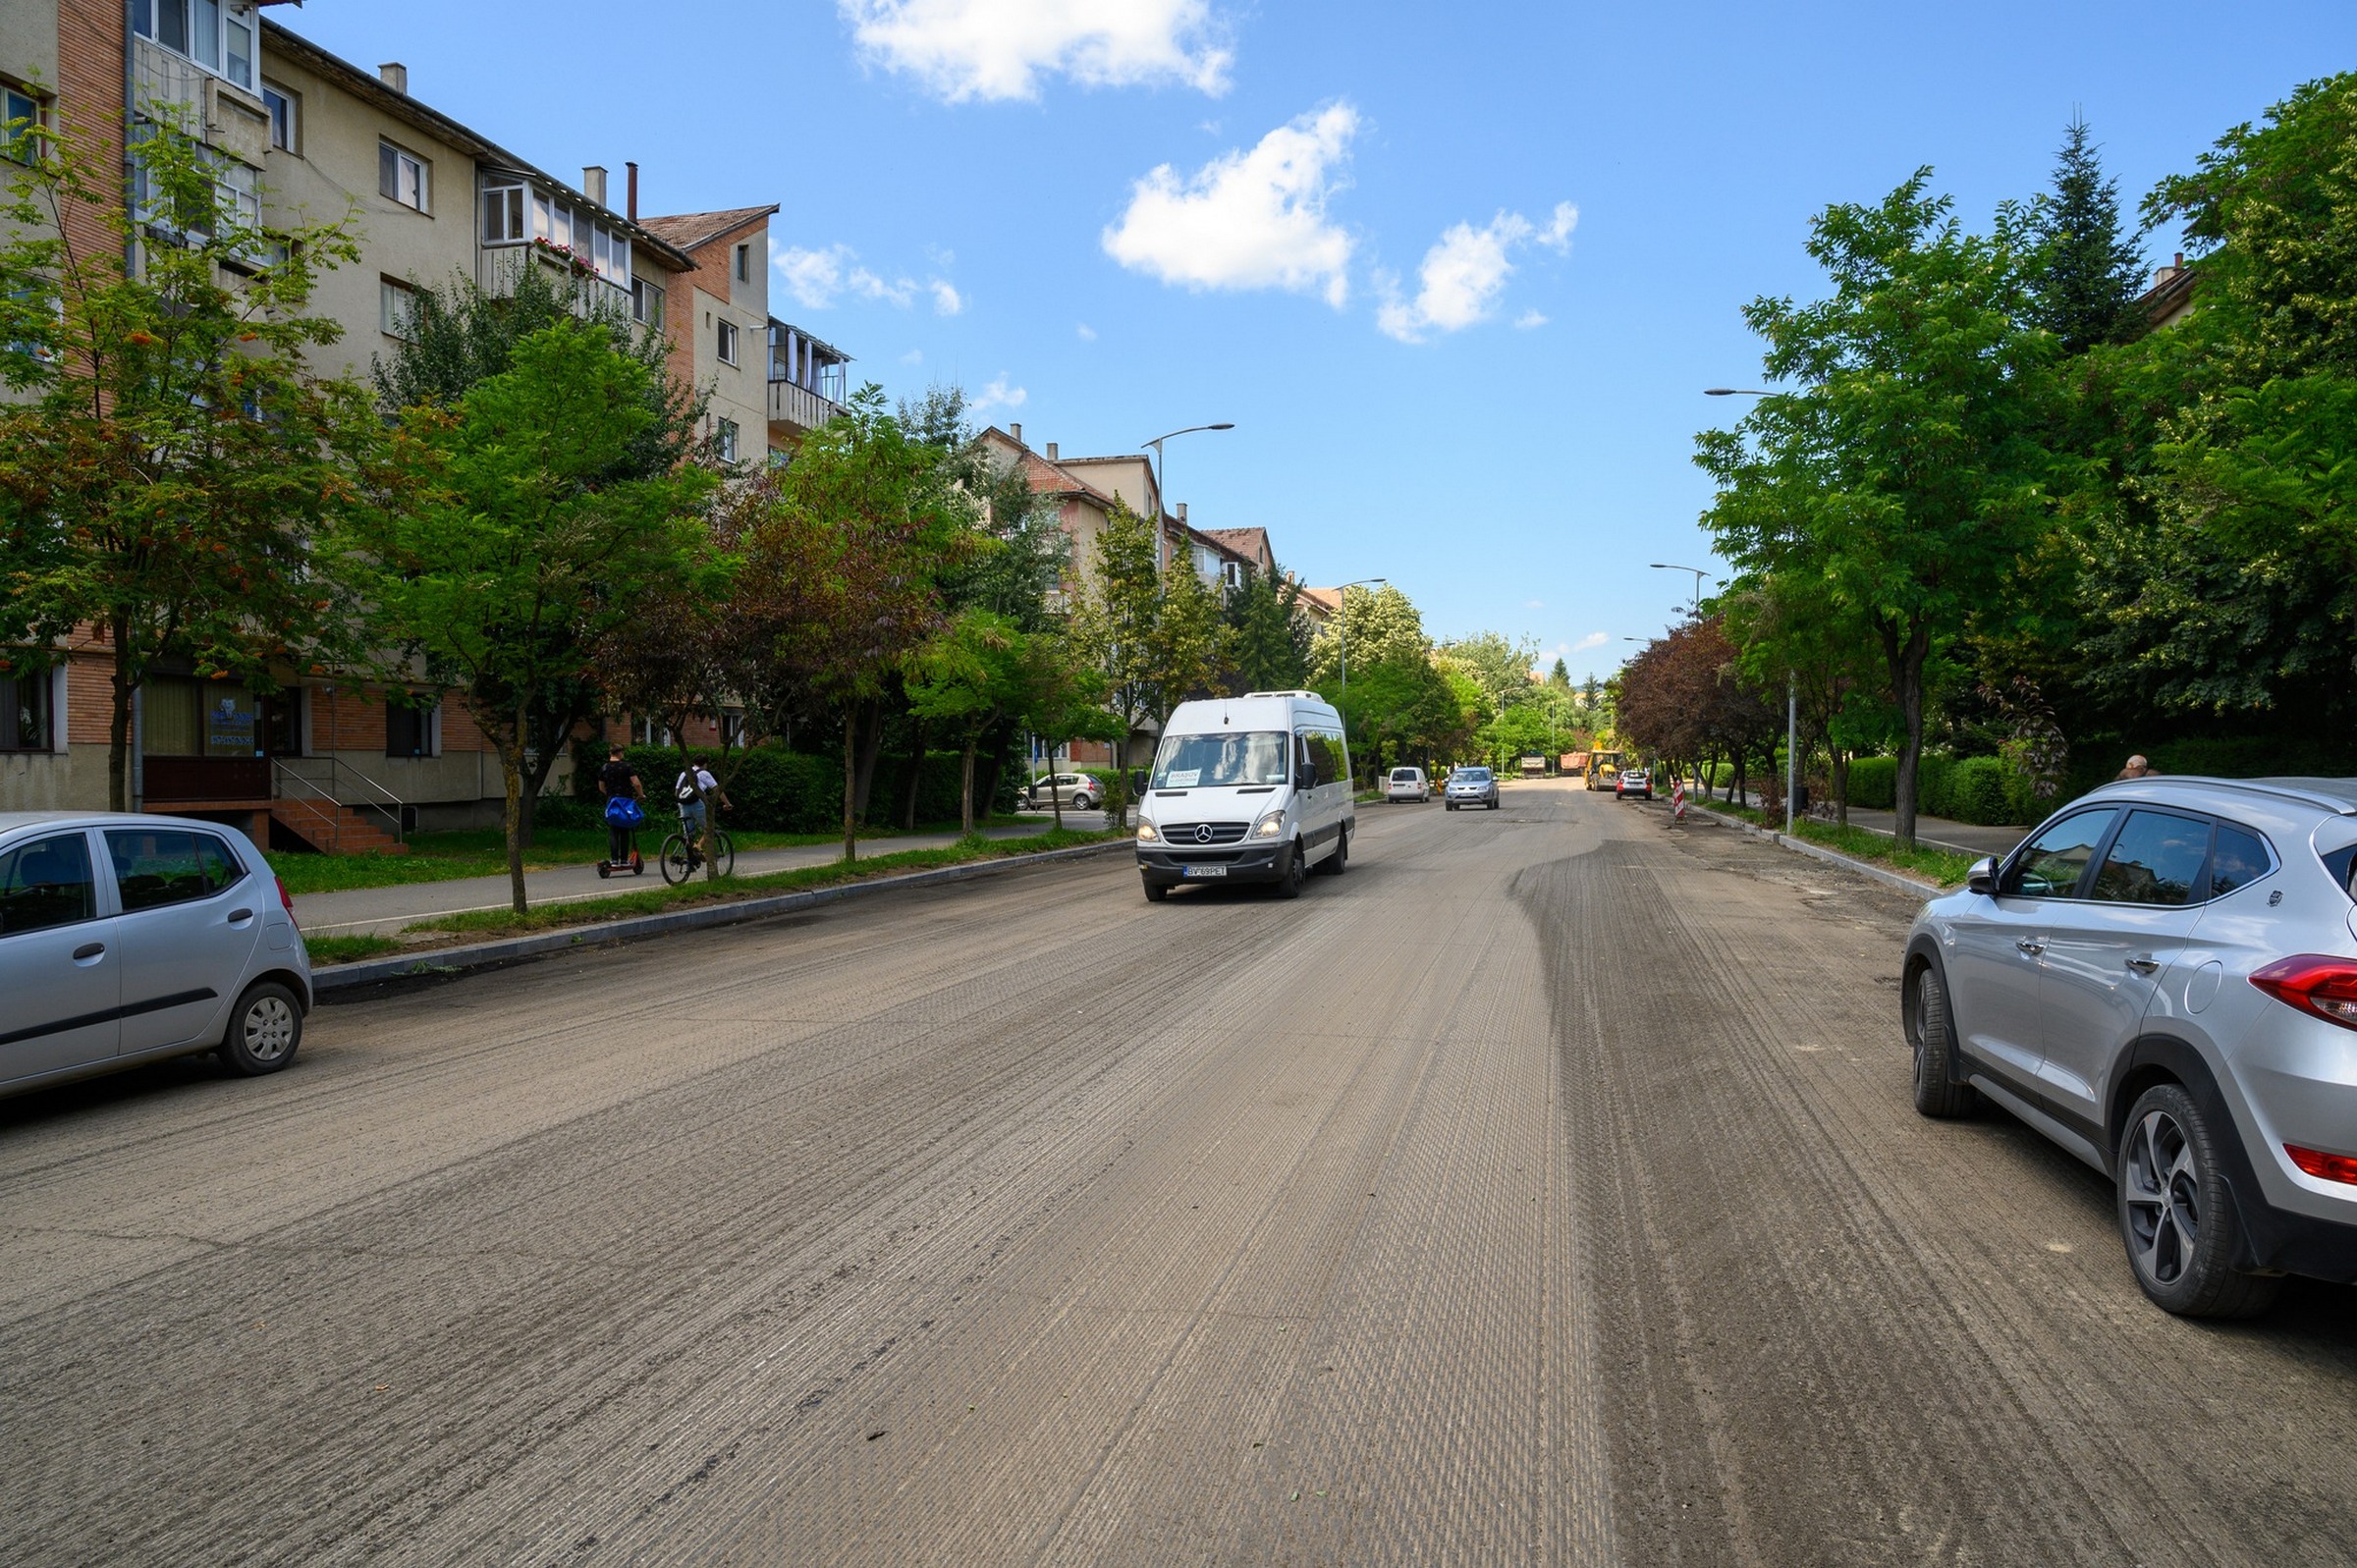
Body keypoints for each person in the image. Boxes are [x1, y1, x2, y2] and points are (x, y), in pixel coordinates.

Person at [675, 759, 730, 861]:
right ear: (705, 764)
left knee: (688, 832)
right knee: (709, 828)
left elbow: (676, 791)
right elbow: (717, 790)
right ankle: (698, 846)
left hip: (682, 804)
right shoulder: (704, 773)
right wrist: (727, 803)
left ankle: (690, 857)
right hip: (697, 803)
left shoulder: (684, 773)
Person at [598, 744, 644, 867]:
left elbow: (601, 786)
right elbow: (636, 783)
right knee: (624, 829)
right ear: (619, 753)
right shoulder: (626, 766)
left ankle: (614, 860)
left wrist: (609, 794)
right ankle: (624, 860)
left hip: (612, 801)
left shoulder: (605, 767)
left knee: (613, 830)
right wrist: (641, 795)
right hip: (626, 801)